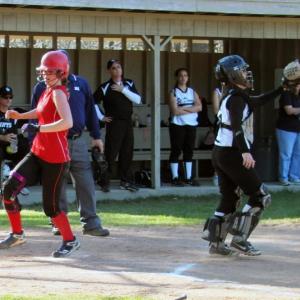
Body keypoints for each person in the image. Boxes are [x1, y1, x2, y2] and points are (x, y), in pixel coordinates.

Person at [202, 54, 285, 256]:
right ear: (232, 75)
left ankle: (216, 243)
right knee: (260, 195)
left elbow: (258, 101)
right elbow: (236, 126)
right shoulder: (236, 99)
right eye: (243, 70)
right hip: (232, 154)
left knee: (230, 197)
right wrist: (245, 152)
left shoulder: (234, 96)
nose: (247, 73)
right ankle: (239, 238)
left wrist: (282, 89)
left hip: (220, 153)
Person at [0, 50, 79, 257]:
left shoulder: (59, 92)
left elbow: (67, 122)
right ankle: (17, 234)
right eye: (43, 71)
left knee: (51, 208)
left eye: (49, 71)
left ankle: (70, 241)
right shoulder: (47, 90)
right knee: (8, 189)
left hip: (56, 159)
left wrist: (39, 129)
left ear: (61, 73)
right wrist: (21, 115)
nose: (45, 74)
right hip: (38, 152)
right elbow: (41, 111)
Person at [31, 50, 109, 237]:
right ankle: (59, 223)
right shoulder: (42, 87)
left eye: (56, 67)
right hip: (53, 141)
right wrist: (32, 139)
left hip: (77, 140)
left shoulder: (80, 83)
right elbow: (36, 113)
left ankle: (91, 223)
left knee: (85, 182)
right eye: (49, 69)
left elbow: (90, 110)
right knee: (57, 183)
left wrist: (96, 136)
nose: (50, 72)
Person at [93, 59, 141, 192]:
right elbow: (92, 103)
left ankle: (125, 181)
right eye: (114, 68)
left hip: (127, 122)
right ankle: (104, 181)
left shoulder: (129, 83)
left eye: (119, 67)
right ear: (109, 71)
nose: (117, 70)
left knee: (127, 151)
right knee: (111, 152)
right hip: (114, 123)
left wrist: (123, 90)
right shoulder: (105, 87)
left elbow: (138, 99)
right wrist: (101, 117)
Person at [168, 68, 202, 186]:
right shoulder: (174, 92)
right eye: (181, 75)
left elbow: (199, 107)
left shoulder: (192, 92)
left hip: (191, 124)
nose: (183, 78)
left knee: (189, 150)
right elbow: (175, 111)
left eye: (185, 75)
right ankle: (175, 177)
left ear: (188, 78)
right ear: (177, 77)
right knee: (176, 150)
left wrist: (183, 108)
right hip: (177, 124)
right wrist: (191, 109)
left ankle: (189, 177)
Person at [276, 61, 300, 186]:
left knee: (298, 154)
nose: (297, 87)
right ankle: (283, 177)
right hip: (286, 129)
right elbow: (289, 110)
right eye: (296, 84)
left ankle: (294, 176)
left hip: (298, 129)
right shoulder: (286, 94)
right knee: (286, 154)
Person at [0, 86, 30, 188]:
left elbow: (31, 118)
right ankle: (5, 176)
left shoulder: (14, 113)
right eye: (5, 97)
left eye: (10, 97)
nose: (8, 99)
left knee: (25, 146)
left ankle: (16, 181)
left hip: (11, 147)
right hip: (1, 146)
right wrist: (2, 137)